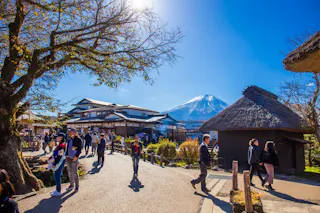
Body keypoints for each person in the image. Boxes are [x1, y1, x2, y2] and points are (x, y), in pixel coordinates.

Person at [48, 132, 67, 197]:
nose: (56, 138)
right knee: (57, 175)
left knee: (57, 176)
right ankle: (57, 189)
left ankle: (58, 191)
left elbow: (59, 156)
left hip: (59, 162)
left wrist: (55, 163)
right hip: (59, 162)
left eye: (58, 137)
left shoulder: (62, 145)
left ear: (61, 138)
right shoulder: (60, 144)